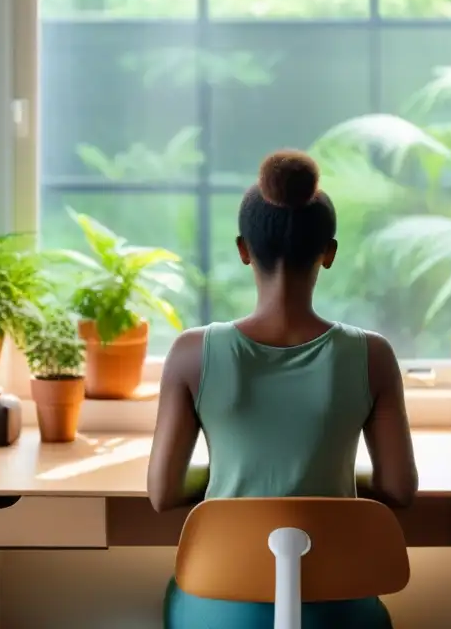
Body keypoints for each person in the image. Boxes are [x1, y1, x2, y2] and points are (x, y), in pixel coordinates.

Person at [148, 149, 418, 629]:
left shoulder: (191, 354)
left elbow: (163, 492)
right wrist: (315, 479)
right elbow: (399, 488)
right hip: (339, 613)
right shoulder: (372, 356)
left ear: (243, 249)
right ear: (328, 253)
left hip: (220, 613)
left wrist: (241, 476)